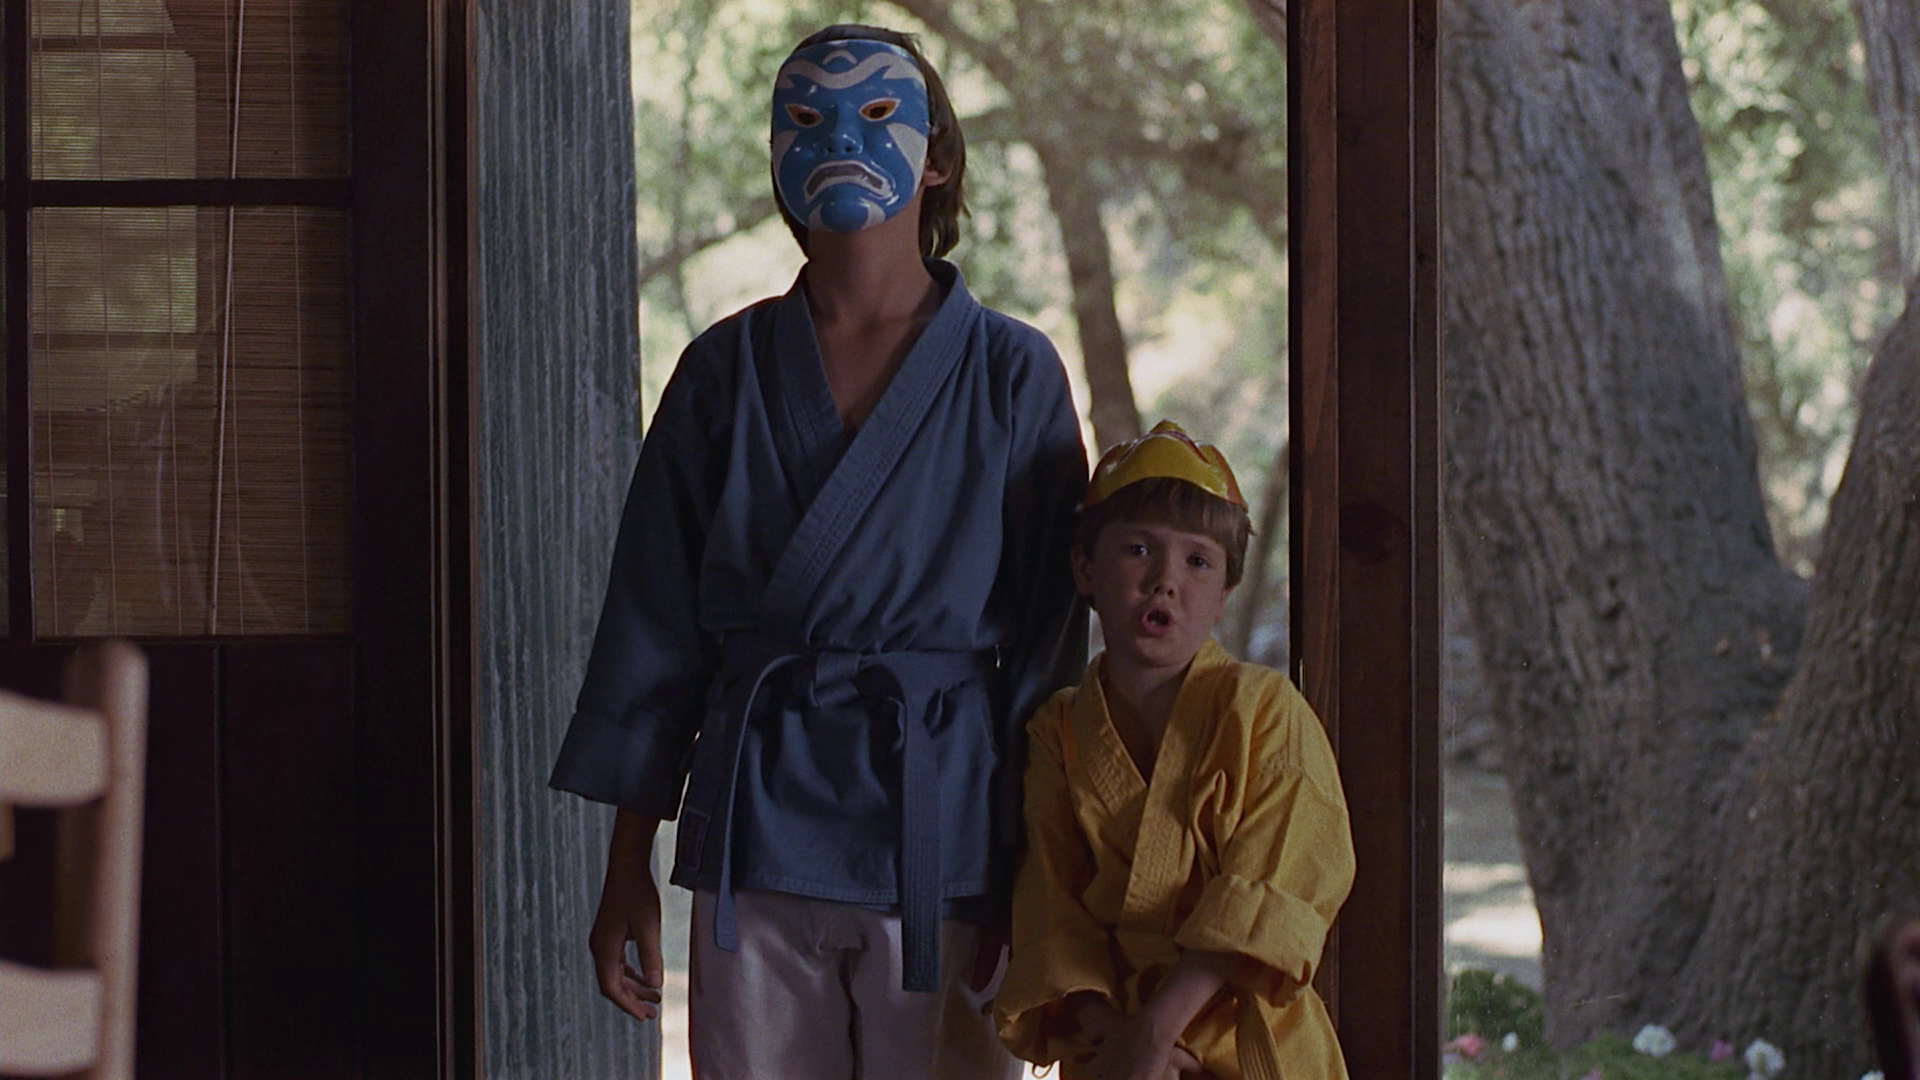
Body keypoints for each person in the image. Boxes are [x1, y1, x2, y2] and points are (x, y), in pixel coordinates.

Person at [547, 23, 1087, 1080]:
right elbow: (652, 631)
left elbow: (1049, 654)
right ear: (776, 156)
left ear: (938, 157)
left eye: (879, 114)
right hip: (760, 823)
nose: (841, 137)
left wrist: (1037, 875)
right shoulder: (722, 372)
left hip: (945, 828)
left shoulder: (1012, 373)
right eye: (805, 118)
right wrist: (627, 866)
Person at [995, 421, 1354, 1080]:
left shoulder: (1264, 712)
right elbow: (1050, 910)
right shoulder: (1059, 729)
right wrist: (1113, 1037)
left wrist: (1157, 1033)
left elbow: (1276, 889)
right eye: (1138, 549)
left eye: (1198, 562)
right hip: (1111, 1047)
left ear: (1223, 595)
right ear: (1085, 568)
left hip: (1240, 1039)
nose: (1165, 580)